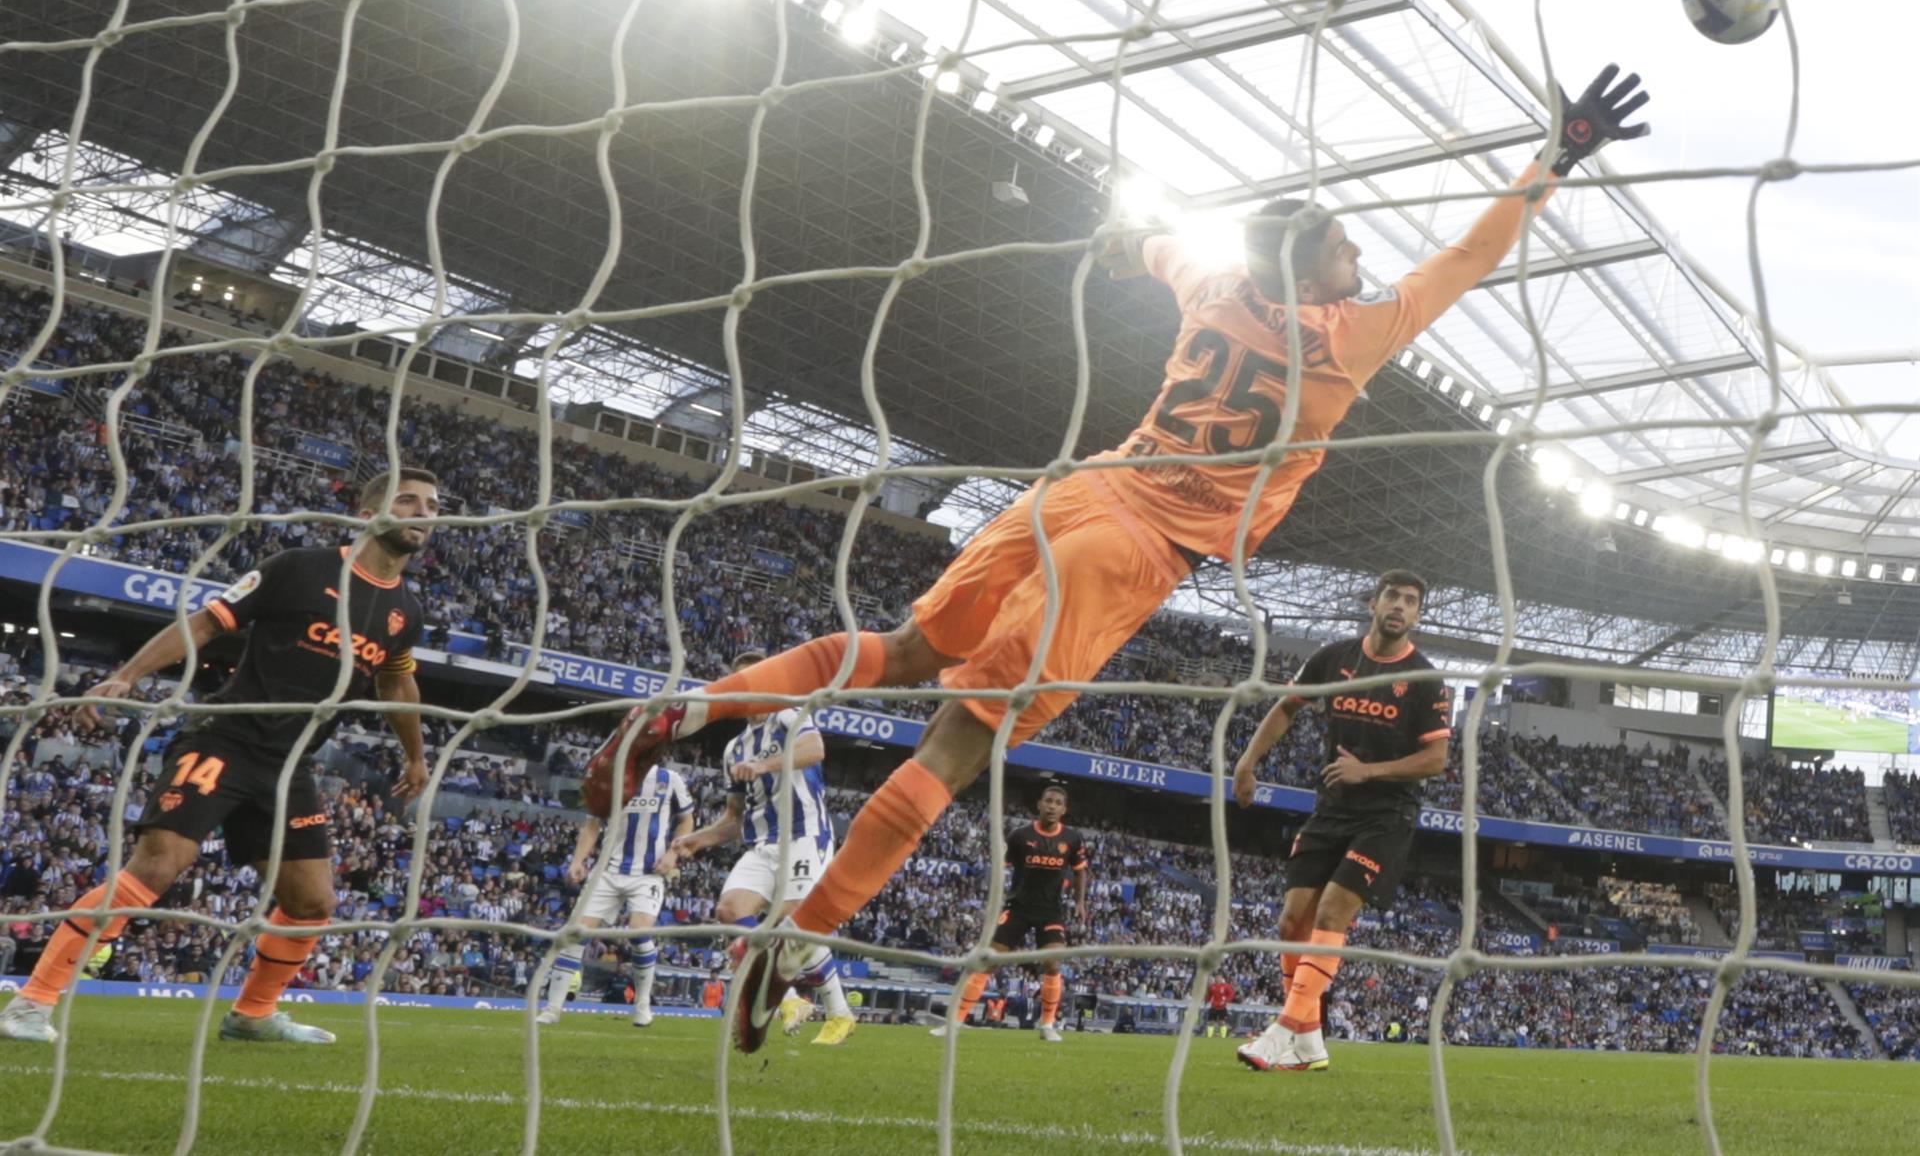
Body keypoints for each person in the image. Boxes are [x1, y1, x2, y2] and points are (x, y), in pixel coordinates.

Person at [624, 67, 1650, 1052]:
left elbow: (1161, 249)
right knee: (956, 748)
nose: (1359, 256)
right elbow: (1470, 257)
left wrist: (1126, 248)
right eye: (1343, 248)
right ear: (1307, 270)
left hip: (1072, 490)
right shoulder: (1352, 336)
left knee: (901, 650)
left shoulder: (1215, 285)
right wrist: (1560, 155)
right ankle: (798, 941)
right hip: (1132, 543)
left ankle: (692, 709)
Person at [0, 468, 438, 1045]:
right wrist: (127, 675)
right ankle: (29, 1003)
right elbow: (206, 623)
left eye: (431, 506)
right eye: (407, 501)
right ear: (366, 516)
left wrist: (415, 757)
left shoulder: (406, 608)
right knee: (156, 867)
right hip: (224, 740)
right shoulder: (299, 567)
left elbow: (396, 685)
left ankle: (252, 1015)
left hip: (290, 766)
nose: (423, 513)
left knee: (312, 902)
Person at [1231, 570, 1451, 1072]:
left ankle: (1281, 1031)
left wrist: (1367, 771)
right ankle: (1310, 1042)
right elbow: (1287, 708)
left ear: (1418, 615)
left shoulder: (1424, 678)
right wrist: (1247, 762)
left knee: (1332, 913)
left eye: (1411, 601)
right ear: (1374, 603)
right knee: (1292, 922)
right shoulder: (1334, 658)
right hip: (1331, 809)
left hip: (1387, 815)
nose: (1400, 606)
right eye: (1392, 596)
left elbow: (1436, 759)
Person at [669, 652, 857, 1047]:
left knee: (791, 927)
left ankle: (838, 1013)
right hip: (761, 844)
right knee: (729, 912)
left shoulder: (788, 715)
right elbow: (734, 818)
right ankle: (791, 1000)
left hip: (804, 836)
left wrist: (765, 765)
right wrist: (698, 838)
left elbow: (815, 750)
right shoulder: (734, 749)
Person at [536, 758, 693, 1027]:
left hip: (648, 873)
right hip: (606, 872)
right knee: (574, 935)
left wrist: (673, 853)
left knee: (638, 932)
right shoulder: (608, 778)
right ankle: (553, 1009)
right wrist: (578, 861)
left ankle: (642, 1005)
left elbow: (686, 820)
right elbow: (592, 825)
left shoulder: (670, 779)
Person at [931, 783, 1087, 1042]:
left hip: (1050, 911)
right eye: (1048, 801)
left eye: (1058, 803)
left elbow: (1081, 869)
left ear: (1064, 809)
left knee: (1052, 963)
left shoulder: (1071, 839)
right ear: (1039, 804)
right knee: (987, 961)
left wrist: (1080, 901)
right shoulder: (1019, 836)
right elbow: (1000, 866)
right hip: (1019, 907)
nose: (1052, 806)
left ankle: (1047, 1024)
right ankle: (954, 1022)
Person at [1204, 974, 1237, 1038]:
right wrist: (1206, 1001)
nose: (1218, 979)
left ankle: (1223, 1036)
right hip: (1213, 1006)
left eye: (1219, 978)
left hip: (1222, 1007)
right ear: (1215, 978)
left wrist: (1226, 1000)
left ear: (1222, 979)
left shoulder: (1226, 986)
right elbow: (1209, 995)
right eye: (1217, 978)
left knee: (1222, 1022)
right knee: (1211, 1022)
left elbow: (1231, 994)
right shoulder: (1212, 986)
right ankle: (1209, 1037)